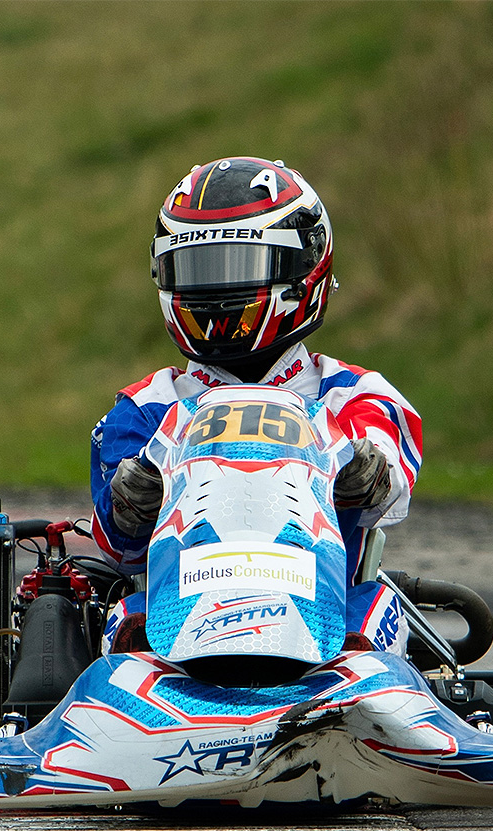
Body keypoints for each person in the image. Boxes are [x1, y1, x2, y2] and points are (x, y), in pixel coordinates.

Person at [90, 156, 422, 656]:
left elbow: (388, 479)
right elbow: (120, 550)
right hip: (176, 631)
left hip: (330, 626)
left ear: (303, 269)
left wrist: (367, 470)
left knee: (377, 610)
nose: (216, 291)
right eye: (198, 270)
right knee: (122, 627)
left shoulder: (354, 396)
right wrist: (130, 502)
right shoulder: (145, 408)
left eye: (236, 266)